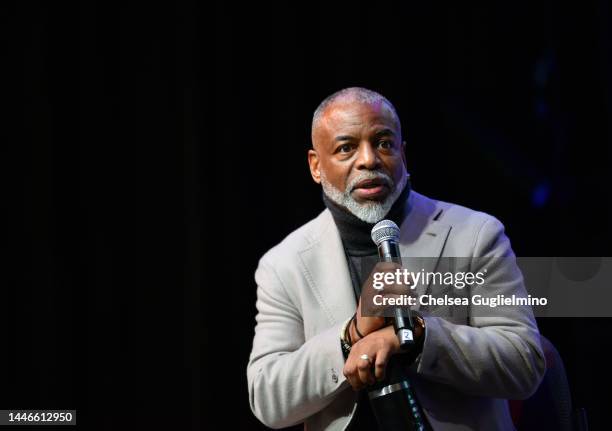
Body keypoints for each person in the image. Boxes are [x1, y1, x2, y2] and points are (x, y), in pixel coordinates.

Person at [247, 87, 545, 430]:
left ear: (403, 153)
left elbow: (524, 364)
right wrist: (351, 336)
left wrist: (417, 337)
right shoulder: (284, 263)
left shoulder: (475, 235)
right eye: (346, 148)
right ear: (316, 166)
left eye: (384, 143)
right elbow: (267, 398)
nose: (369, 160)